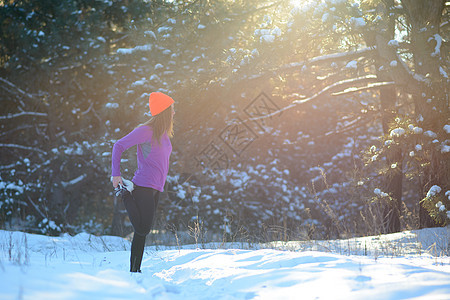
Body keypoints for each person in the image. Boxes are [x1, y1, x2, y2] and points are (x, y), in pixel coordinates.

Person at [111, 92, 174, 273]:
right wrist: (116, 174)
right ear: (164, 111)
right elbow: (119, 145)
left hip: (156, 188)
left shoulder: (163, 135)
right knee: (143, 228)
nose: (174, 113)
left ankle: (134, 270)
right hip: (143, 186)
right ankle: (124, 193)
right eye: (171, 110)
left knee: (141, 233)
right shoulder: (146, 131)